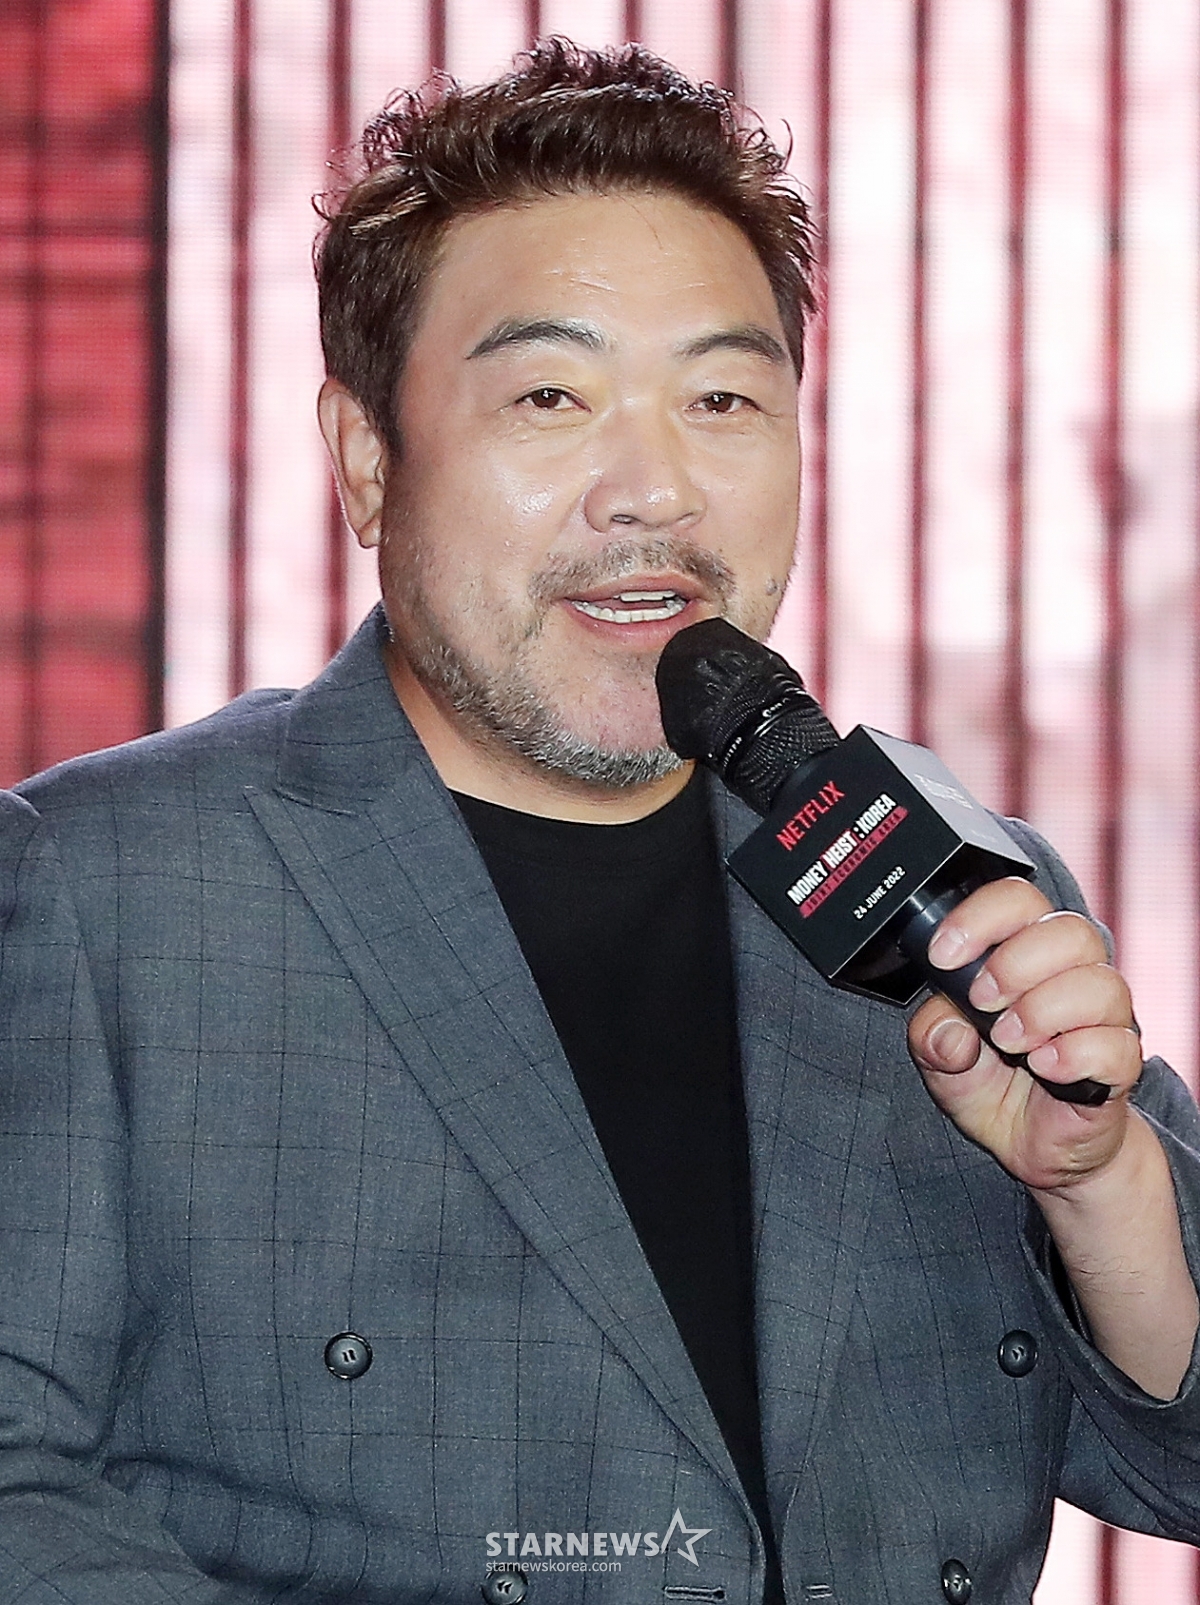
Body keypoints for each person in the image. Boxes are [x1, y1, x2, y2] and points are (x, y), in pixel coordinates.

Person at [0, 38, 1197, 1605]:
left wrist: (1101, 1183)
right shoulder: (105, 893)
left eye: (722, 397)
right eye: (552, 395)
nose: (655, 491)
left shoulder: (945, 885)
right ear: (366, 460)